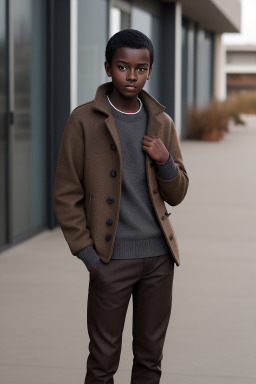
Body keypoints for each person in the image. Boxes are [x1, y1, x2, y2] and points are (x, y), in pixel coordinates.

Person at [54, 29, 189, 384]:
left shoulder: (162, 123)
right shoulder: (83, 120)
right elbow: (67, 194)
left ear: (150, 70)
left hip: (159, 259)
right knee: (102, 362)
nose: (132, 76)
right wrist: (89, 257)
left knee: (150, 360)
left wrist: (165, 162)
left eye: (141, 68)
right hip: (110, 260)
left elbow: (178, 192)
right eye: (123, 67)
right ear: (107, 68)